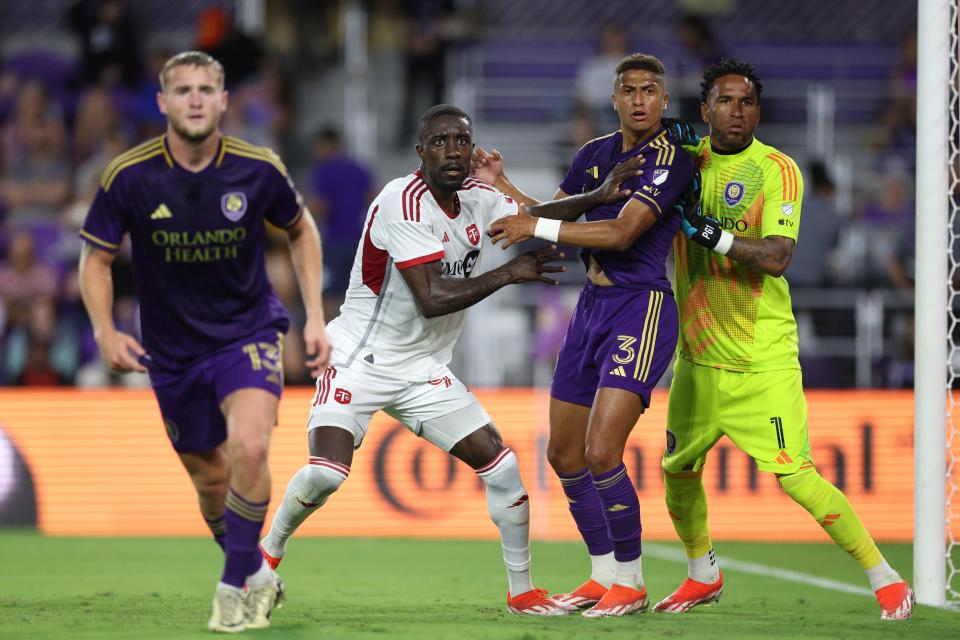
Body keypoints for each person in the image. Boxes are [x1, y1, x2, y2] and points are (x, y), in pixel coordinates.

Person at [259, 104, 638, 616]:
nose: (452, 150)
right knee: (327, 474)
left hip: (424, 370)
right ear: (421, 152)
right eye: (440, 142)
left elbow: (536, 220)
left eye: (461, 140)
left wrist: (597, 197)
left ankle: (523, 593)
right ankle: (264, 557)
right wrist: (510, 273)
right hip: (359, 359)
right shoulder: (403, 202)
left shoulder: (480, 199)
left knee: (502, 469)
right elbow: (432, 297)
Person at [77, 51, 330, 633]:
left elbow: (301, 229)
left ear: (223, 101)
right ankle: (256, 573)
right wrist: (103, 330)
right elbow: (96, 259)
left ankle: (231, 591)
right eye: (183, 89)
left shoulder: (257, 167)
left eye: (206, 89)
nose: (195, 98)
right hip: (171, 352)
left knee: (249, 447)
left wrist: (314, 315)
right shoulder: (129, 175)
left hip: (248, 333)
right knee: (211, 478)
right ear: (163, 103)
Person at [656, 57, 914, 620]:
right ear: (704, 110)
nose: (736, 111)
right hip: (697, 359)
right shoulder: (686, 161)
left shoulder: (777, 169)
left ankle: (885, 575)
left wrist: (709, 235)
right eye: (724, 101)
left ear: (758, 111)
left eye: (747, 101)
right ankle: (703, 573)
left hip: (760, 358)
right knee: (677, 470)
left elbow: (777, 258)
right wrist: (660, 140)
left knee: (795, 475)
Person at [472, 53, 696, 617]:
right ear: (614, 98)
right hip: (590, 307)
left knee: (602, 451)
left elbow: (620, 233)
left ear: (665, 101)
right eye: (630, 89)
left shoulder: (672, 158)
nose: (640, 99)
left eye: (651, 89)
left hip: (640, 308)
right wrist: (505, 186)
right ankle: (602, 575)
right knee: (567, 453)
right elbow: (554, 214)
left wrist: (535, 222)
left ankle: (633, 580)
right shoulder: (593, 155)